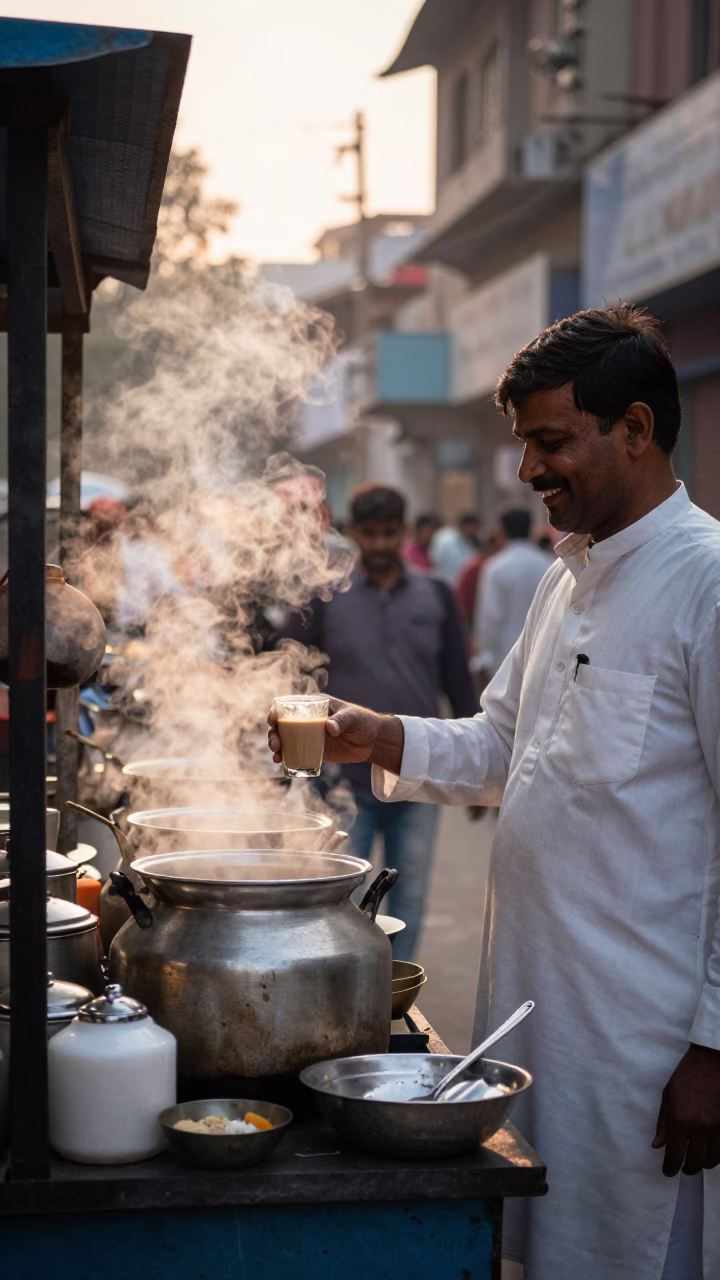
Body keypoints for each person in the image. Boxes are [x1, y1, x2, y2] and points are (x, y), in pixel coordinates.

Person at [268, 305, 720, 1279]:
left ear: (634, 429)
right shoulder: (570, 576)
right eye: (522, 445)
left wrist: (715, 1050)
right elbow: (503, 742)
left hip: (649, 1047)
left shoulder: (706, 584)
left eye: (549, 442)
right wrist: (379, 729)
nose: (526, 471)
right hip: (541, 1014)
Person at [276, 483, 477, 960]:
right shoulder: (326, 595)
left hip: (418, 775)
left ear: (405, 531)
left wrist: (473, 772)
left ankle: (394, 996)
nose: (382, 544)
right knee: (344, 895)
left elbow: (457, 680)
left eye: (390, 533)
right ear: (353, 533)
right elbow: (286, 663)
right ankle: (346, 988)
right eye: (371, 533)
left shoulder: (437, 595)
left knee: (409, 898)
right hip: (347, 780)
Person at [472, 508, 554, 680]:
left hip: (504, 657)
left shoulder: (496, 567)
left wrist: (485, 657)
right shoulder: (549, 564)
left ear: (503, 531)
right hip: (543, 655)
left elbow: (490, 618)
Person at [429, 511, 480, 584]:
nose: (473, 531)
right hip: (443, 583)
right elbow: (434, 561)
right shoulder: (444, 538)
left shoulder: (471, 543)